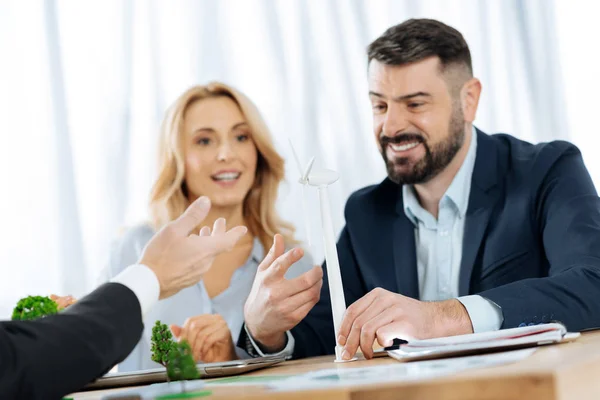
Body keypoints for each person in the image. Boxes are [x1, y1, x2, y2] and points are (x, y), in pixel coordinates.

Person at [240, 18, 600, 361]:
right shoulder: (367, 213)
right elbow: (324, 333)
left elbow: (592, 283)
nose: (391, 126)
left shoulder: (547, 171)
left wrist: (441, 317)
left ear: (469, 99)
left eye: (414, 104)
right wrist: (265, 331)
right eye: (379, 105)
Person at [97, 82, 318, 370]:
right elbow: (93, 352)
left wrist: (232, 360)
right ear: (176, 158)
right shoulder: (135, 248)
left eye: (241, 137)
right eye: (204, 141)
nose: (226, 154)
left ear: (258, 153)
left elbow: (308, 376)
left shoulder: (292, 264)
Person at [0, 196, 248, 399]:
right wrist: (152, 276)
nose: (224, 155)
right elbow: (27, 362)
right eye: (204, 140)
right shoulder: (133, 243)